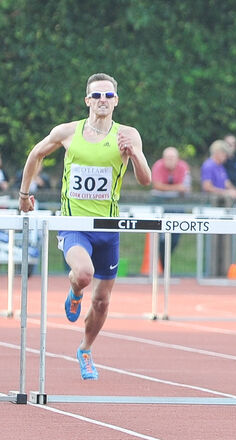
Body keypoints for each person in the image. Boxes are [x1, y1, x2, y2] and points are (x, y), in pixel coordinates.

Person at [18, 73, 151, 380]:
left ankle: (85, 348)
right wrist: (24, 195)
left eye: (108, 96)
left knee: (102, 301)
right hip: (73, 223)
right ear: (87, 100)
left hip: (108, 227)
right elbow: (36, 154)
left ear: (116, 101)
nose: (102, 101)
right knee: (84, 273)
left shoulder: (128, 134)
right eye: (97, 96)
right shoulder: (67, 132)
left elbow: (145, 181)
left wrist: (135, 154)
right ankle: (76, 288)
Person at [150, 146, 192, 269]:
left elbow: (185, 188)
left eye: (172, 158)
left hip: (177, 206)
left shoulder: (183, 167)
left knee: (176, 236)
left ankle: (165, 261)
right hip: (161, 206)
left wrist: (169, 188)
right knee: (161, 237)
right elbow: (157, 186)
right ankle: (161, 264)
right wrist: (176, 188)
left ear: (177, 159)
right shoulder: (158, 166)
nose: (170, 160)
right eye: (167, 158)